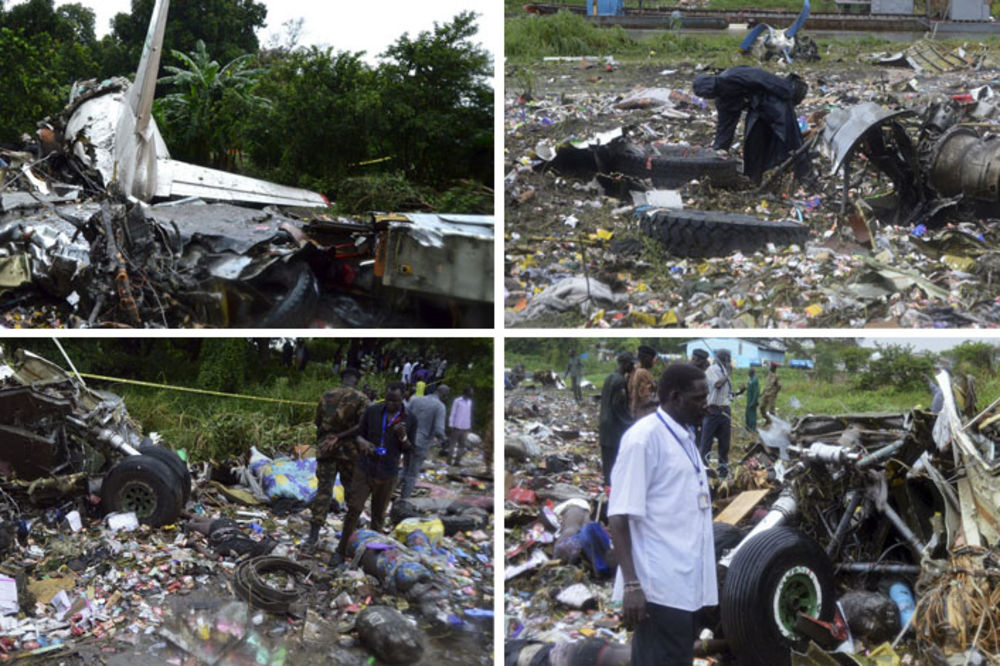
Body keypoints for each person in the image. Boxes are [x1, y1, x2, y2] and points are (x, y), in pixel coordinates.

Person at [608, 364, 715, 665]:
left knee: (678, 657)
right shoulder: (643, 439)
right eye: (699, 399)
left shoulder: (685, 434)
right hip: (658, 586)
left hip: (685, 582)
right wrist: (632, 585)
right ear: (675, 397)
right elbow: (618, 516)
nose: (706, 406)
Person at [334, 382, 417, 565]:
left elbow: (410, 450)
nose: (390, 404)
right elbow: (358, 433)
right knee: (354, 509)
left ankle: (371, 557)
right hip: (365, 468)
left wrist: (403, 437)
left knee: (378, 516)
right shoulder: (373, 411)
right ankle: (341, 550)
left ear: (403, 397)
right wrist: (362, 442)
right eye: (388, 399)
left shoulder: (410, 419)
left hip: (388, 473)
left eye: (395, 401)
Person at [693, 66, 810, 184]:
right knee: (754, 144)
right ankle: (756, 179)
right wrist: (719, 148)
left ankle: (801, 174)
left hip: (774, 99)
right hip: (757, 109)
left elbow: (764, 78)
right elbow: (725, 125)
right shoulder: (723, 100)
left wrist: (787, 91)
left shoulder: (733, 75)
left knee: (786, 137)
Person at [306, 367, 370, 551]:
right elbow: (362, 426)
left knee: (323, 491)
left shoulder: (327, 395)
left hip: (326, 448)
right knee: (351, 491)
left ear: (342, 379)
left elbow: (318, 421)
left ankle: (313, 536)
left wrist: (329, 436)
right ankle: (351, 533)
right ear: (356, 381)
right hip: (349, 451)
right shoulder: (361, 398)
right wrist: (342, 437)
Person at [399, 385, 449, 499]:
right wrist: (445, 440)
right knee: (412, 475)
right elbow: (439, 430)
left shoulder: (415, 400)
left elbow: (403, 416)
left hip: (407, 439)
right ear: (444, 395)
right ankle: (404, 501)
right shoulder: (440, 406)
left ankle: (387, 493)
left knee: (404, 469)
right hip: (421, 443)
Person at [699, 349, 738, 478]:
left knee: (724, 444)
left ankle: (723, 472)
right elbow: (717, 384)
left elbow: (727, 393)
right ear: (723, 358)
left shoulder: (724, 371)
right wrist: (728, 375)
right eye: (728, 358)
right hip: (713, 410)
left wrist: (737, 392)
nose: (730, 361)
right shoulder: (712, 370)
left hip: (724, 410)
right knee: (706, 443)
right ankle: (703, 471)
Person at [599, 352, 634, 487]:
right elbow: (618, 407)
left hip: (604, 425)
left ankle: (607, 487)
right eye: (631, 364)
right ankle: (612, 489)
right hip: (614, 428)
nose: (633, 367)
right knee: (615, 463)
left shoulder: (609, 377)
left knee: (607, 463)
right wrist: (631, 423)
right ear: (625, 364)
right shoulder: (620, 381)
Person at [628, 345, 658, 420]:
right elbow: (645, 398)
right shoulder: (642, 373)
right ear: (646, 359)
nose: (653, 363)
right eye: (652, 360)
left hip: (635, 411)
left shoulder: (635, 370)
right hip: (643, 413)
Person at [447, 387, 474, 463]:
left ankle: (457, 461)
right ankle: (449, 461)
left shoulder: (470, 402)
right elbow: (453, 413)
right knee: (453, 444)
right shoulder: (457, 401)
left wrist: (469, 425)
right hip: (457, 426)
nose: (471, 394)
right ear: (465, 393)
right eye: (470, 392)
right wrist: (451, 424)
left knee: (462, 445)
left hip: (465, 427)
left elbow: (469, 414)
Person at [745, 367, 760, 432]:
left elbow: (756, 392)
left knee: (752, 415)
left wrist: (753, 402)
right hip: (749, 400)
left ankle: (753, 428)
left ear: (752, 373)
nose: (749, 373)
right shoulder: (751, 380)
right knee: (747, 414)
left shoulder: (755, 380)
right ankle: (748, 426)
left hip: (752, 401)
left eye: (750, 372)